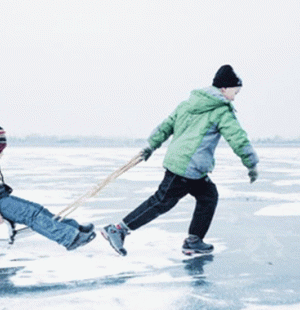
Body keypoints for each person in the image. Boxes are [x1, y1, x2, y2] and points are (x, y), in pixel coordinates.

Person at [101, 65, 258, 256]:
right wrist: (251, 163)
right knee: (161, 201)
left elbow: (165, 126)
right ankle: (118, 229)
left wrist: (151, 144)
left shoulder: (187, 104)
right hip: (185, 167)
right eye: (235, 91)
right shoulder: (221, 112)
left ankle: (194, 240)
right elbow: (238, 138)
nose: (235, 96)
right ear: (224, 88)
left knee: (208, 196)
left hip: (193, 168)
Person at [0, 125, 97, 251]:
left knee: (38, 210)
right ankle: (70, 239)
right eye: (0, 150)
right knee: (30, 215)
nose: (2, 154)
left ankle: (73, 228)